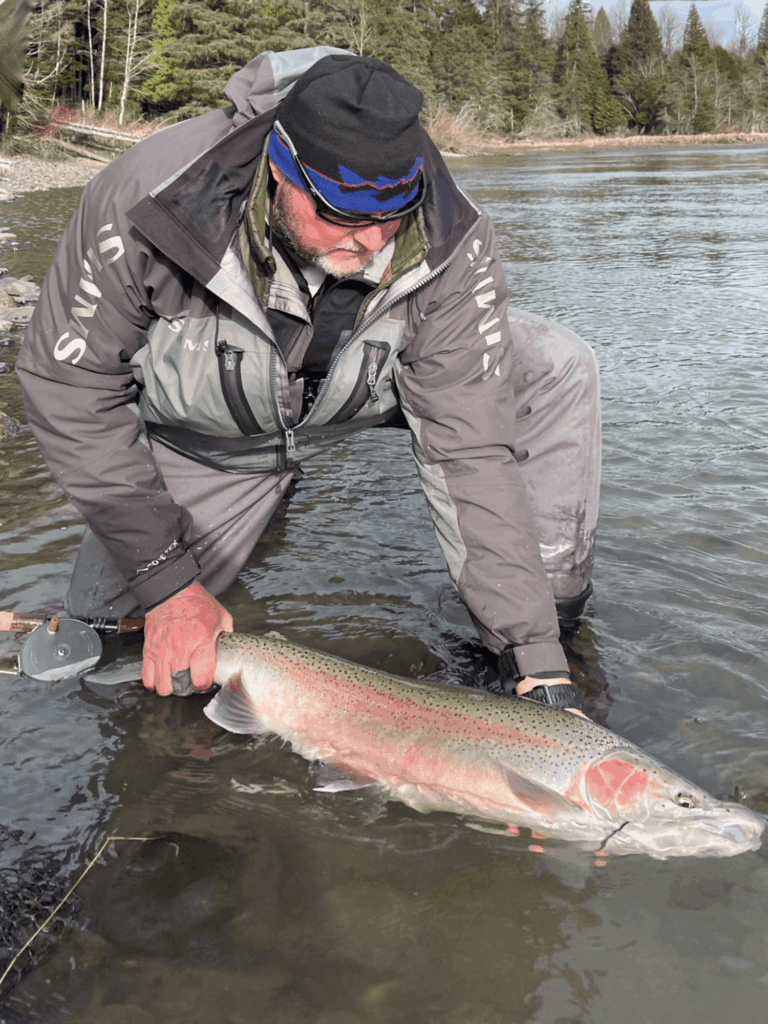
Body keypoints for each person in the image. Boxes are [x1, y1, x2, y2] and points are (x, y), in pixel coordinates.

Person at [16, 48, 600, 711]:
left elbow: (468, 448)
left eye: (392, 214)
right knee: (120, 658)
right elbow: (72, 388)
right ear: (280, 168)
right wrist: (168, 584)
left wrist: (533, 652)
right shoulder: (147, 198)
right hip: (206, 436)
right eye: (342, 214)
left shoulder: (453, 232)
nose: (373, 242)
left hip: (364, 388)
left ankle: (553, 628)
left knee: (554, 363)